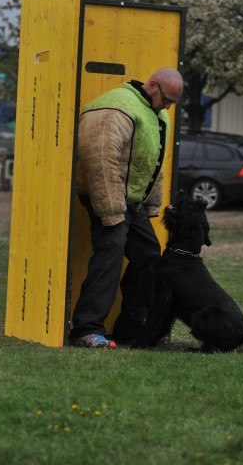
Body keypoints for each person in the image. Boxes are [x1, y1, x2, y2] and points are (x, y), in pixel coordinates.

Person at [70, 67, 184, 348]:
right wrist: (111, 211)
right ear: (153, 85)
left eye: (172, 102)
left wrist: (151, 204)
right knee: (110, 252)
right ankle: (86, 329)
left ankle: (131, 329)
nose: (168, 107)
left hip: (132, 202)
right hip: (108, 197)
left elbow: (154, 162)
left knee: (148, 255)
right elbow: (100, 162)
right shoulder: (115, 108)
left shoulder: (157, 114)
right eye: (167, 99)